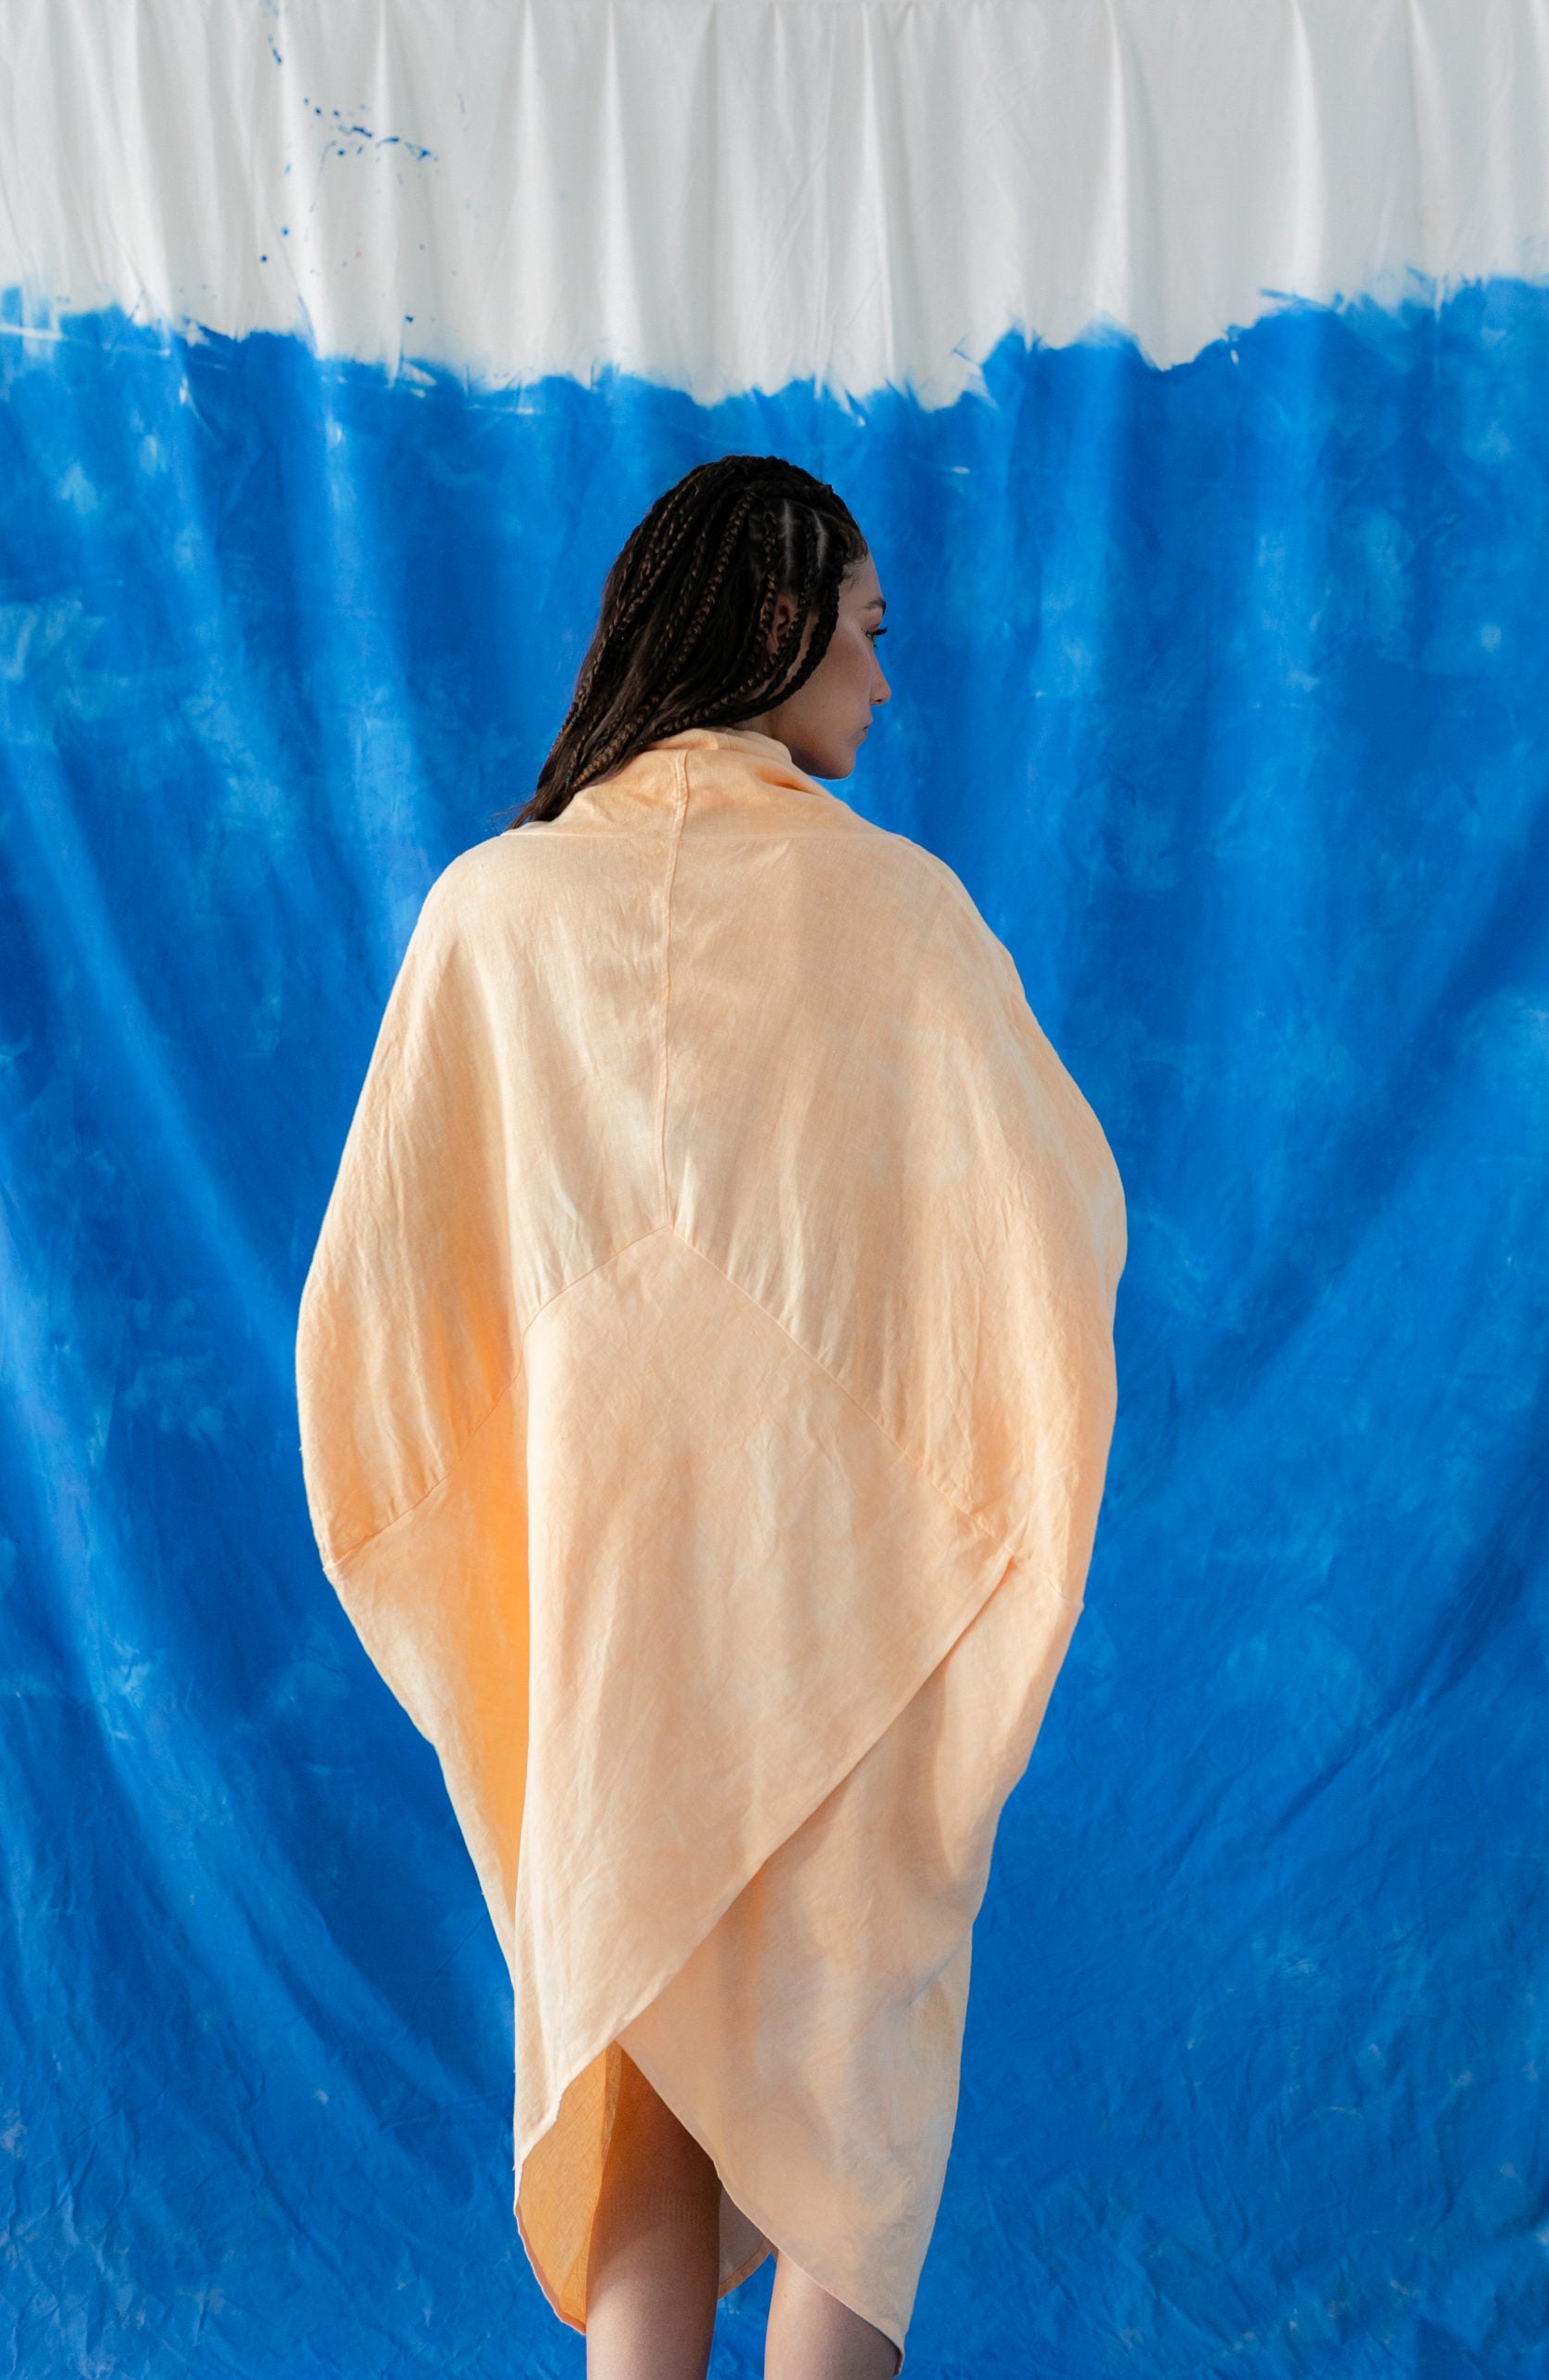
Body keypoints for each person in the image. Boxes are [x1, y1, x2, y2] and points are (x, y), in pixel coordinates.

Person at [295, 455, 1125, 2378]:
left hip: (606, 1637)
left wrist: (516, 1533)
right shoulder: (901, 920)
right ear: (773, 622)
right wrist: (936, 1478)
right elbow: (1049, 1233)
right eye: (864, 630)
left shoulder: (490, 914)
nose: (884, 678)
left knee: (648, 2092)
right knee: (846, 2126)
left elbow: (377, 1330)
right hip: (847, 1614)